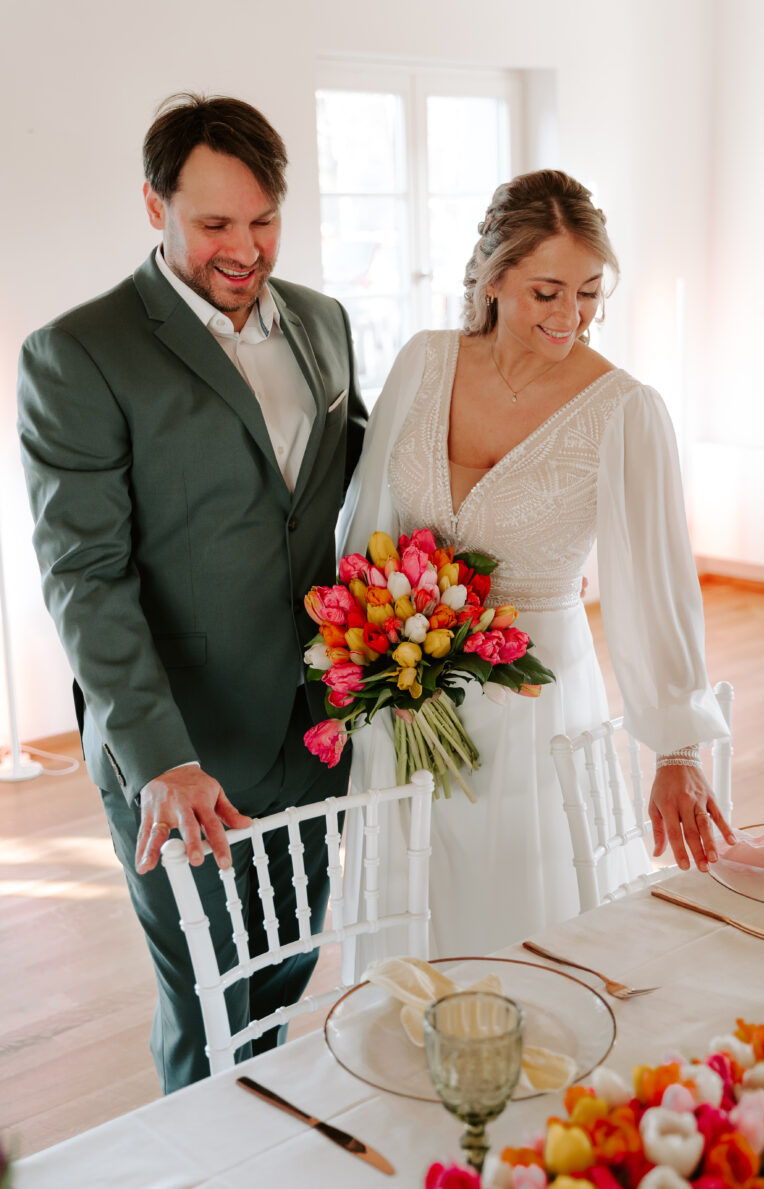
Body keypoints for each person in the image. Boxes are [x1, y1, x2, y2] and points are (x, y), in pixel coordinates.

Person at [17, 93, 367, 1092]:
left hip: (311, 733)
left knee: (286, 975)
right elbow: (84, 576)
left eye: (264, 221)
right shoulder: (78, 354)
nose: (245, 248)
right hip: (182, 757)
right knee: (211, 1004)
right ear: (154, 205)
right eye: (215, 223)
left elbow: (355, 490)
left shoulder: (326, 324)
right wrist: (161, 757)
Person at [339, 169, 733, 972]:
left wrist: (676, 748)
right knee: (410, 926)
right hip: (405, 706)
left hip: (534, 708)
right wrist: (370, 665)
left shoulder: (625, 410)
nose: (571, 317)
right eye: (547, 292)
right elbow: (367, 528)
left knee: (521, 920)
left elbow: (653, 583)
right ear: (491, 278)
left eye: (589, 292)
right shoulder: (422, 364)